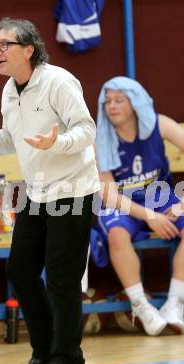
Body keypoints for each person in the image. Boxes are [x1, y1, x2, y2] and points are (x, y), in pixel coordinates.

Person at [0, 17, 99, 364]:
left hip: (73, 192)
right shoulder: (10, 90)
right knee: (20, 270)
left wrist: (56, 143)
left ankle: (69, 362)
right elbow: (10, 142)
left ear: (28, 49)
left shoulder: (58, 82)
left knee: (62, 280)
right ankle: (44, 354)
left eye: (4, 45)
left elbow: (86, 130)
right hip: (37, 192)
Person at [95, 76, 184, 336]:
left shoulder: (160, 124)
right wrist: (151, 217)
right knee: (117, 235)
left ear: (135, 103)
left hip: (161, 196)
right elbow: (109, 195)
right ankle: (140, 306)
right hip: (123, 201)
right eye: (107, 101)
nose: (111, 106)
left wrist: (181, 206)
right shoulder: (100, 139)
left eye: (119, 100)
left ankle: (175, 302)